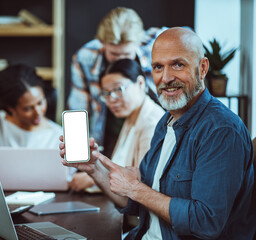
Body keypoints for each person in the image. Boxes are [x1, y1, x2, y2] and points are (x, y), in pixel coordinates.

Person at [60, 27, 256, 239]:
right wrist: (94, 169)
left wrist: (135, 188)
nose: (166, 77)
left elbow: (205, 222)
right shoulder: (166, 122)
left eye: (178, 65)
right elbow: (135, 202)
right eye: (158, 67)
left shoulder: (221, 130)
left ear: (202, 67)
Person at [68, 7, 165, 156]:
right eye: (114, 54)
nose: (121, 61)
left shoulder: (158, 45)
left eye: (127, 54)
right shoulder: (85, 58)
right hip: (108, 132)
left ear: (139, 42)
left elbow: (187, 37)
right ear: (101, 43)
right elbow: (77, 111)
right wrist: (76, 159)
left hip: (148, 123)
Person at [69, 59, 164, 192]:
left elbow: (144, 182)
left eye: (118, 89)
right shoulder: (131, 117)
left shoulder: (151, 123)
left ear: (140, 83)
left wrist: (93, 178)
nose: (111, 99)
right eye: (106, 93)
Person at [0, 64, 62, 175]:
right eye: (28, 108)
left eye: (40, 102)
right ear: (11, 108)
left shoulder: (58, 135)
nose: (38, 112)